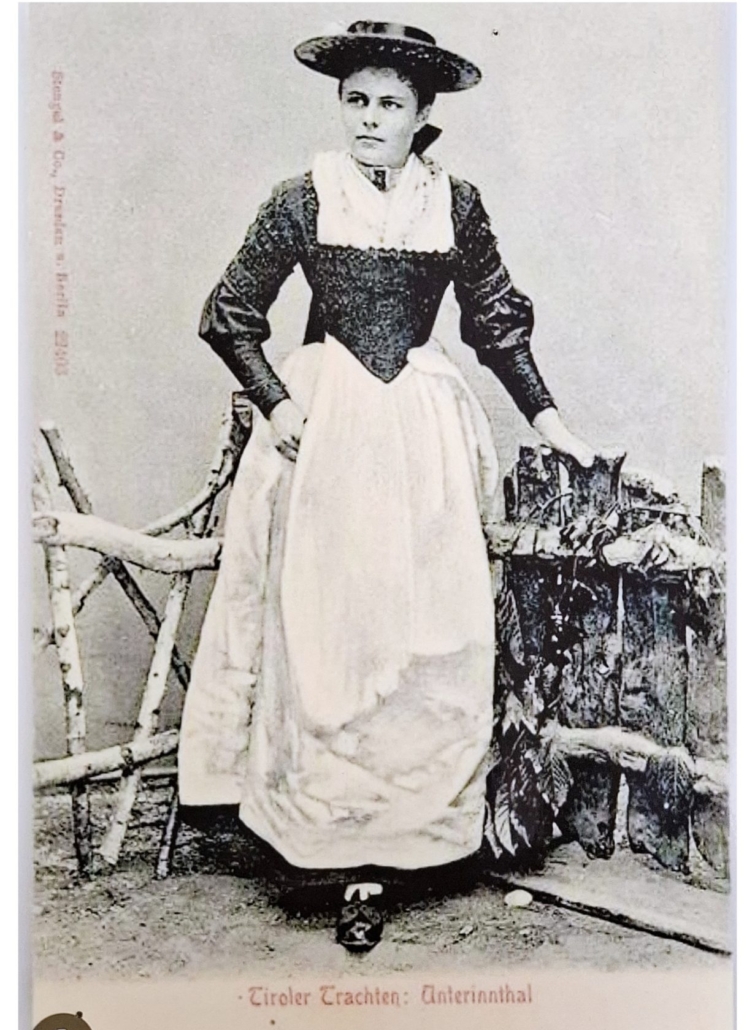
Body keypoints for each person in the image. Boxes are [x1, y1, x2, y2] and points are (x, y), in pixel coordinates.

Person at [178, 20, 595, 952]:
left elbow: (495, 321)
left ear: (421, 114)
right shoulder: (302, 196)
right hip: (326, 429)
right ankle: (328, 843)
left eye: (389, 104)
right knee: (328, 629)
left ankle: (399, 848)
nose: (369, 119)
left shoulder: (454, 203)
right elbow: (229, 313)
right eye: (355, 100)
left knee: (424, 635)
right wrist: (278, 403)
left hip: (420, 431)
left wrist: (550, 423)